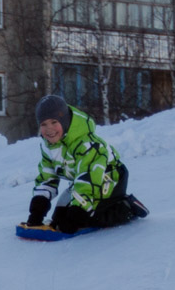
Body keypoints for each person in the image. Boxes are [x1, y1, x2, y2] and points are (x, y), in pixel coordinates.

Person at [25, 94, 146, 233]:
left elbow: (88, 177)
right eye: (43, 124)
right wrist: (37, 210)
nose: (49, 129)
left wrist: (79, 211)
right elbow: (47, 178)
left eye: (54, 122)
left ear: (64, 121)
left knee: (86, 218)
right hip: (83, 180)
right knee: (59, 218)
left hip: (110, 176)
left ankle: (127, 207)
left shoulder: (86, 144)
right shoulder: (49, 147)